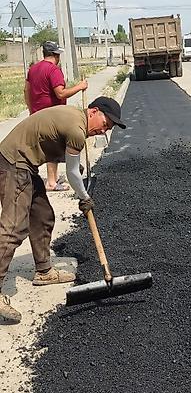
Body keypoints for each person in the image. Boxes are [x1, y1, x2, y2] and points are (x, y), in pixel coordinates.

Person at [0, 96, 126, 325]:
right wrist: (85, 197)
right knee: (13, 228)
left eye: (109, 128)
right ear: (93, 111)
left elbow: (67, 159)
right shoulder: (76, 128)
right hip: (13, 162)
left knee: (43, 216)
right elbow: (72, 174)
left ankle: (44, 271)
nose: (104, 130)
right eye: (105, 123)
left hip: (25, 165)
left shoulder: (76, 122)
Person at [24, 41, 88, 192]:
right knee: (52, 145)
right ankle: (52, 182)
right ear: (55, 55)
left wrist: (31, 109)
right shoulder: (53, 70)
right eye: (58, 54)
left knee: (45, 145)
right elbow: (60, 93)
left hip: (38, 114)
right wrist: (80, 87)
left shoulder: (33, 69)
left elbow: (26, 90)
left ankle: (56, 174)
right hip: (53, 115)